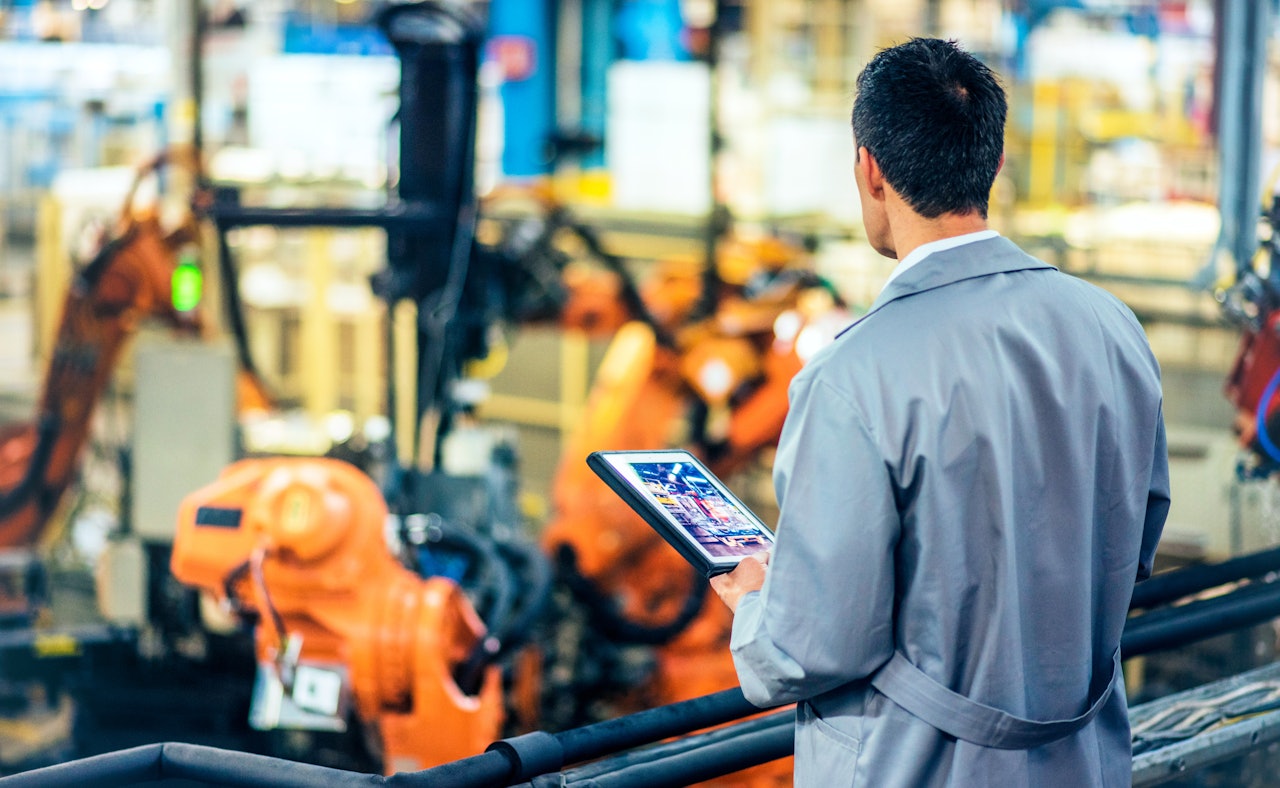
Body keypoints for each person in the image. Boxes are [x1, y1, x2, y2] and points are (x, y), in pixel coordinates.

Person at [710, 38, 1169, 787]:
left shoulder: (852, 377)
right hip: (1081, 760)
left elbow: (815, 645)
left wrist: (758, 603)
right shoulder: (1111, 326)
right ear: (991, 165)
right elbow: (1134, 542)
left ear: (869, 170)